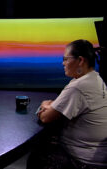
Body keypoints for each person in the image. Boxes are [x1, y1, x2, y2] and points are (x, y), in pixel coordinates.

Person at [27, 39, 107, 169]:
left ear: (80, 60)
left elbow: (45, 117)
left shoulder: (78, 87)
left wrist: (44, 104)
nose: (63, 63)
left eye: (65, 59)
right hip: (98, 155)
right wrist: (52, 106)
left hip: (82, 161)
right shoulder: (94, 78)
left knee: (37, 154)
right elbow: (60, 104)